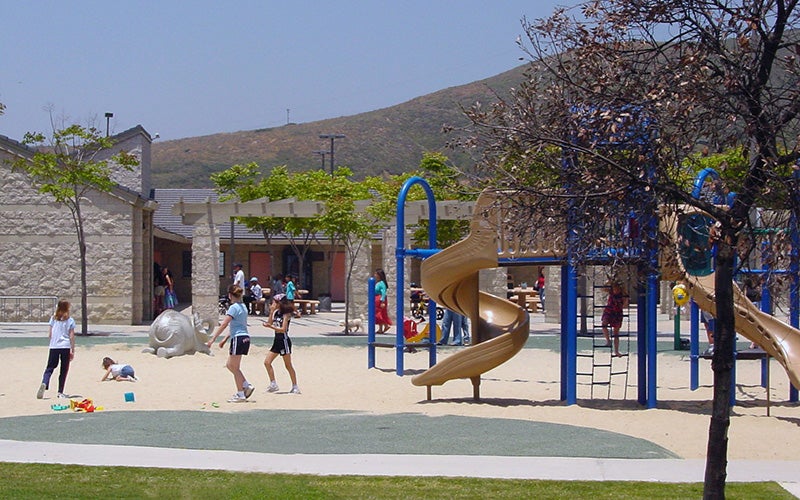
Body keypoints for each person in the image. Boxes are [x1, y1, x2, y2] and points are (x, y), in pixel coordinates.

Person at [206, 284, 256, 403]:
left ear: (230, 295)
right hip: (244, 337)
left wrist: (213, 339)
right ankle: (245, 384)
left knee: (234, 367)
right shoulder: (243, 307)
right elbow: (237, 325)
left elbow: (224, 324)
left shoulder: (233, 307)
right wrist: (225, 339)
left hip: (238, 339)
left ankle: (241, 393)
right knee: (230, 365)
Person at [36, 299, 76, 399]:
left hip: (54, 346)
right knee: (64, 370)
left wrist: (54, 341)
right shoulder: (70, 320)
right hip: (65, 346)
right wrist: (72, 349)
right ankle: (60, 392)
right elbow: (71, 336)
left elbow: (50, 334)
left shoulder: (53, 319)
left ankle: (45, 382)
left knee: (49, 367)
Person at [262, 294, 301, 394]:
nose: (273, 303)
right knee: (267, 362)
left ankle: (295, 386)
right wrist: (271, 312)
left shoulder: (286, 314)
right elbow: (270, 322)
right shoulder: (275, 312)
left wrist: (270, 327)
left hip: (284, 341)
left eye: (275, 302)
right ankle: (273, 384)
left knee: (288, 365)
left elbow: (283, 329)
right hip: (277, 341)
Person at [601, 282, 628, 357]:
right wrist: (608, 282)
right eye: (614, 289)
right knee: (604, 324)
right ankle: (608, 340)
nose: (615, 290)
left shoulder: (623, 295)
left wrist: (624, 300)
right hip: (609, 311)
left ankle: (616, 351)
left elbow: (625, 305)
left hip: (617, 314)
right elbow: (602, 288)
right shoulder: (611, 292)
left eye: (616, 289)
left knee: (616, 333)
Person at [374, 268, 392, 334]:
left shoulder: (382, 283)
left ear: (379, 275)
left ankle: (386, 326)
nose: (375, 275)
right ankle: (380, 329)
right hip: (376, 299)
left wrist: (382, 301)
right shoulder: (378, 283)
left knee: (380, 314)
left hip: (380, 299)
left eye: (376, 274)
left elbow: (383, 293)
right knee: (379, 314)